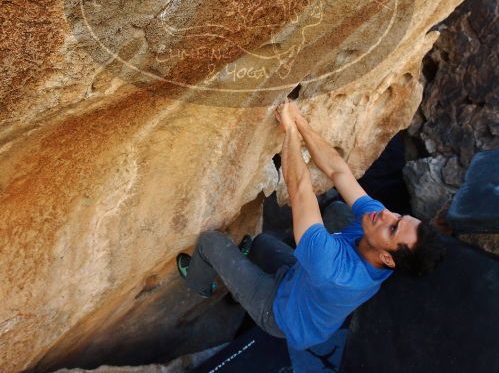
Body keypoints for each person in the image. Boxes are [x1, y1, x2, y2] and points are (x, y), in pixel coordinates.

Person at [176, 99, 445, 350]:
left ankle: (199, 284)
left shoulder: (336, 271)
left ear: (387, 257)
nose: (386, 215)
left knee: (211, 243)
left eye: (393, 228)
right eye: (399, 216)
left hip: (280, 314)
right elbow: (338, 171)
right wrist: (302, 123)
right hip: (302, 284)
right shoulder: (379, 231)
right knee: (260, 244)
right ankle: (238, 290)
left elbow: (299, 189)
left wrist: (290, 130)